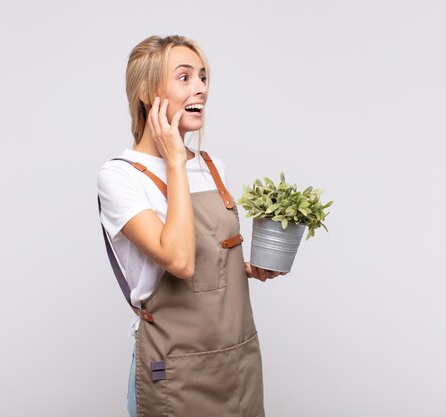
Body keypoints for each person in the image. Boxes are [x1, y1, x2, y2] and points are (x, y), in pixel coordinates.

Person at [97, 35, 285, 417]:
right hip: (175, 373)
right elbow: (179, 261)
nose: (201, 88)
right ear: (149, 93)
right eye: (184, 78)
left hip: (237, 363)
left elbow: (207, 258)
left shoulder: (214, 166)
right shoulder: (120, 177)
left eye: (202, 77)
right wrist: (175, 161)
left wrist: (246, 267)